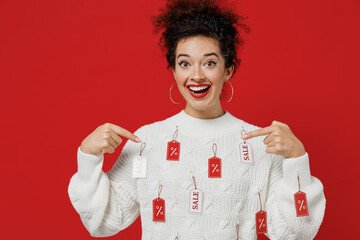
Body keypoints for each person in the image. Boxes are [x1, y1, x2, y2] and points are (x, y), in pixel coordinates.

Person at [67, 0, 326, 239]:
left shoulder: (259, 145)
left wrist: (297, 161)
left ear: (228, 70)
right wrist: (88, 158)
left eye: (210, 63)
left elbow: (297, 233)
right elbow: (103, 221)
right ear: (174, 70)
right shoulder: (147, 141)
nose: (197, 76)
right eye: (185, 63)